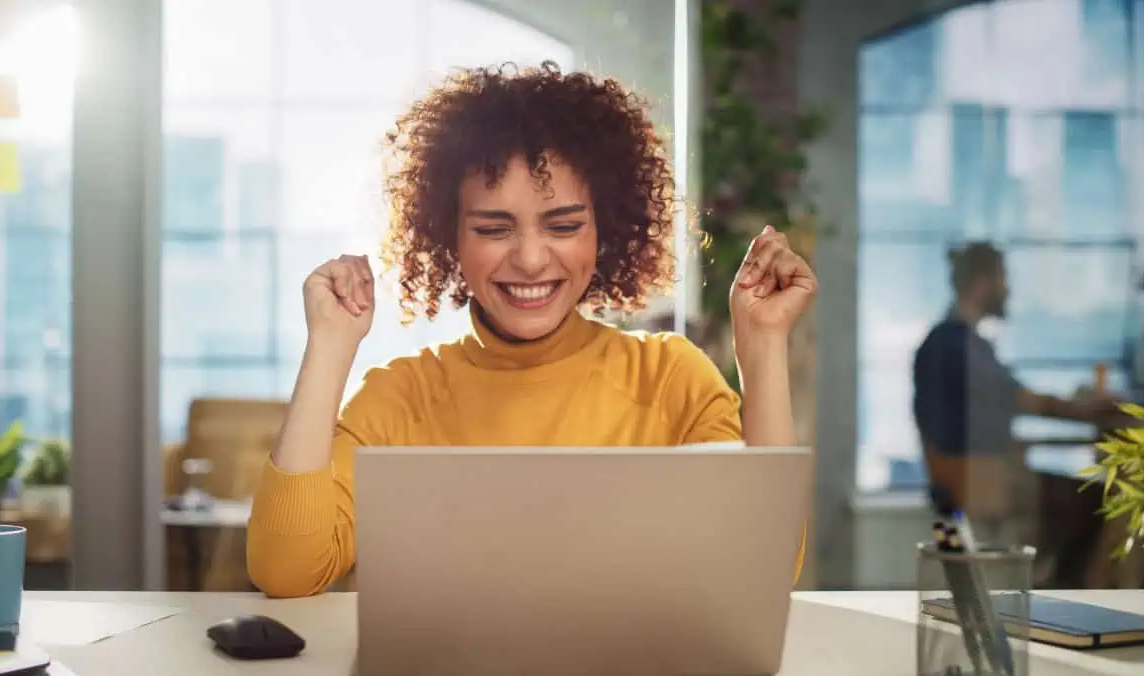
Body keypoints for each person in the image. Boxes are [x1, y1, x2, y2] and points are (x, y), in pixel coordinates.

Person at [246, 62, 818, 598]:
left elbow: (763, 567)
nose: (530, 259)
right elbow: (287, 571)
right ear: (452, 239)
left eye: (563, 225)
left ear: (604, 231)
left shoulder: (668, 377)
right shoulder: (402, 397)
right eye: (494, 228)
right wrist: (329, 346)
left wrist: (762, 348)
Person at [912, 241, 1117, 585]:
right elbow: (1020, 399)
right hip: (981, 479)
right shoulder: (958, 346)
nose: (1008, 289)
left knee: (1083, 502)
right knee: (1102, 504)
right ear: (982, 282)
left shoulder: (951, 342)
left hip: (970, 474)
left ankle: (1054, 586)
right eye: (1003, 278)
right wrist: (1087, 408)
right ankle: (1065, 596)